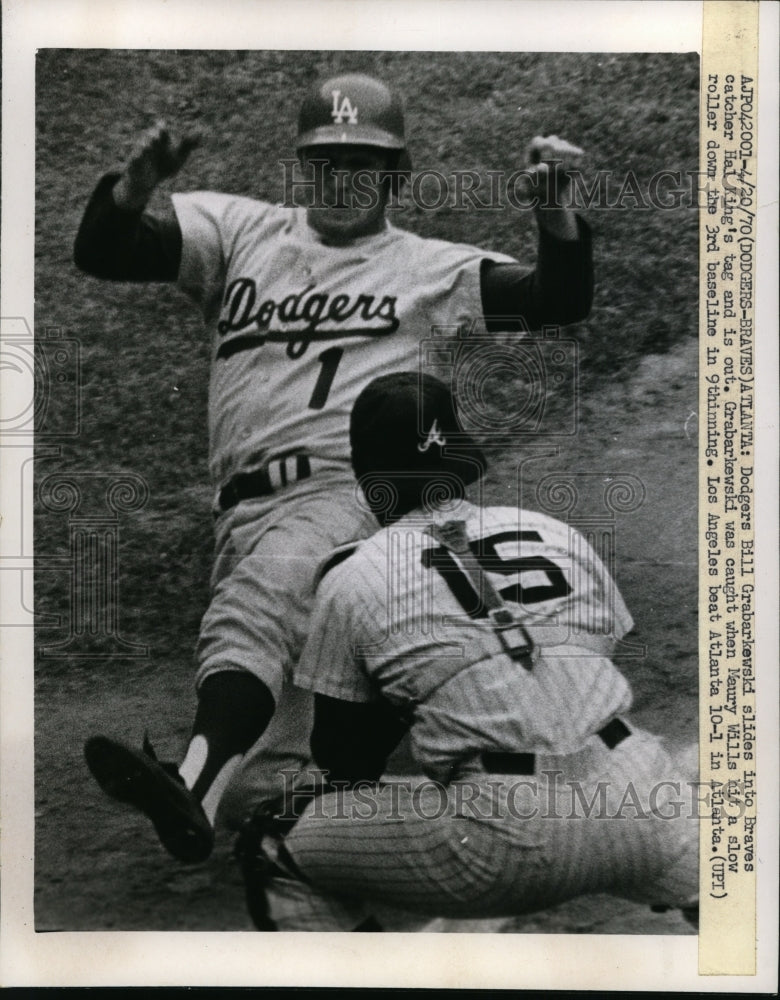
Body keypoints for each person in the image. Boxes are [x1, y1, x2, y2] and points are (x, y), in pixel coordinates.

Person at [77, 72, 593, 868]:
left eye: (364, 163)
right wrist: (135, 185)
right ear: (303, 169)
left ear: (395, 172)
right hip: (246, 516)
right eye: (326, 164)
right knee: (275, 786)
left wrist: (553, 209)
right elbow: (104, 252)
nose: (343, 179)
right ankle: (424, 810)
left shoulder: (429, 268)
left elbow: (558, 297)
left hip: (355, 499)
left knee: (255, 612)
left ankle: (191, 779)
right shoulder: (241, 233)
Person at [236, 371, 699, 931]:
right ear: (459, 458)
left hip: (504, 846)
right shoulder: (555, 533)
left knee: (272, 836)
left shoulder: (353, 577)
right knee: (735, 901)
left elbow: (347, 765)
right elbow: (578, 665)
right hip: (643, 803)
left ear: (365, 477)